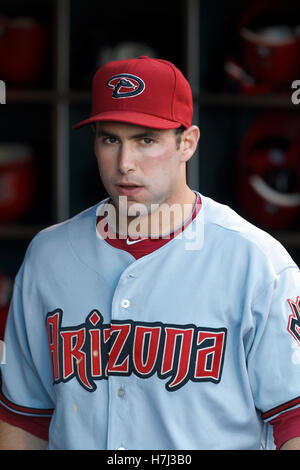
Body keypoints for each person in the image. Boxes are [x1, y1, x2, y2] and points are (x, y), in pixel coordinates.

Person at [0, 56, 300, 451]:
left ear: (187, 143)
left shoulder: (257, 263)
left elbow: (291, 424)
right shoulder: (48, 256)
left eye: (146, 139)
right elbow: (24, 419)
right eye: (111, 139)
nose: (125, 164)